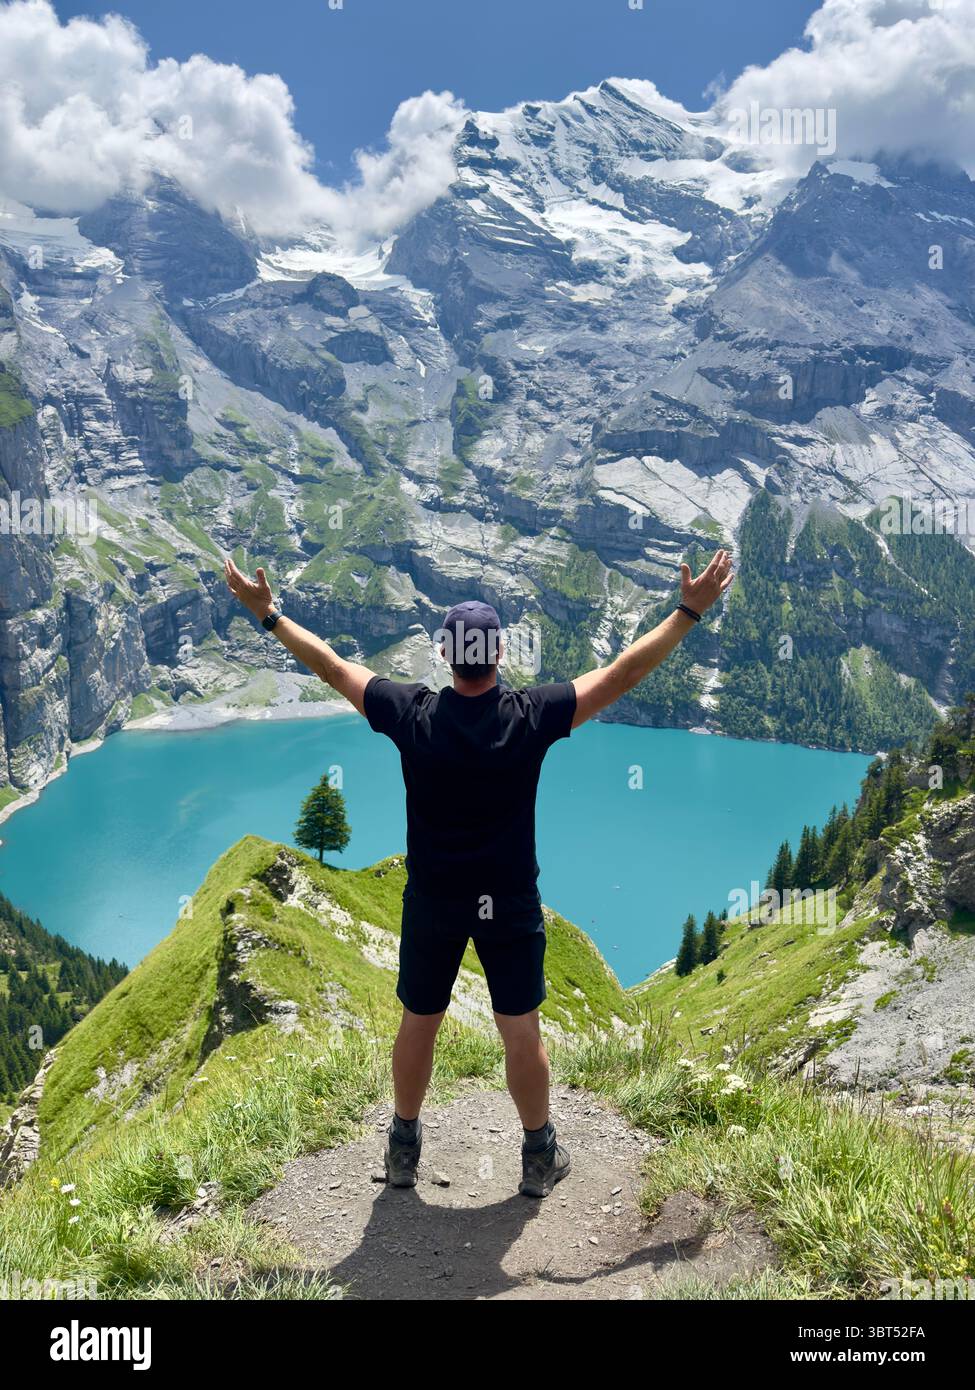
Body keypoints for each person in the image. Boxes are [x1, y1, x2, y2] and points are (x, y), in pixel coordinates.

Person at [224, 549, 733, 1196]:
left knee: (419, 1019)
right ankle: (538, 1154)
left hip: (434, 898)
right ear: (496, 656)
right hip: (508, 902)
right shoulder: (532, 716)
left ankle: (403, 1147)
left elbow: (331, 666)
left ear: (444, 654)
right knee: (519, 1029)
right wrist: (687, 611)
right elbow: (620, 674)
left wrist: (268, 615)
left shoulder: (411, 714)